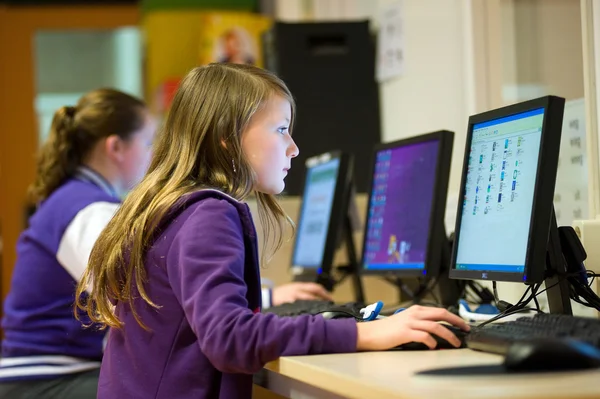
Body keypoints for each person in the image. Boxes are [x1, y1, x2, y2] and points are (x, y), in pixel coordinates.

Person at [77, 63, 469, 399]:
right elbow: (229, 339)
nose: (294, 147)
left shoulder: (165, 206)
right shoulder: (208, 213)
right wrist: (363, 334)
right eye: (281, 129)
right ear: (227, 139)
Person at [0, 88, 156, 399]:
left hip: (49, 373)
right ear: (116, 147)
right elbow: (136, 300)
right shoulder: (89, 210)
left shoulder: (75, 198)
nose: (153, 155)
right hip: (44, 380)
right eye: (149, 142)